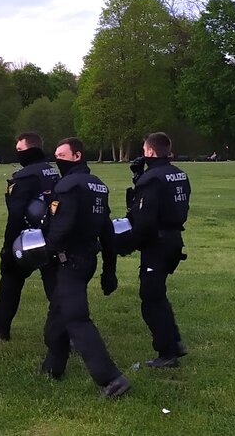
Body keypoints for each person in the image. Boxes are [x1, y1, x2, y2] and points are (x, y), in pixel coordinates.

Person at [40, 137, 129, 398]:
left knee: (76, 318)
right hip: (88, 258)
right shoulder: (98, 186)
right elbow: (107, 231)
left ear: (77, 156)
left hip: (71, 260)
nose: (57, 160)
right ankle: (53, 367)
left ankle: (111, 379)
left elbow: (61, 227)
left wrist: (44, 252)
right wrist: (108, 270)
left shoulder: (67, 186)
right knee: (58, 312)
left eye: (62, 155)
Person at [118, 132, 191, 368]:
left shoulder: (151, 179)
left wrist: (127, 244)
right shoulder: (179, 174)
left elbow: (145, 220)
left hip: (157, 243)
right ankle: (175, 342)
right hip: (174, 238)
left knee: (150, 298)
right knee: (158, 294)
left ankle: (167, 351)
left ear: (149, 151)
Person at [0, 132, 60, 341]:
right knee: (55, 289)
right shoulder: (52, 171)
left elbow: (16, 215)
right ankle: (68, 333)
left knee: (11, 282)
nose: (18, 154)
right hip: (51, 236)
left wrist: (7, 247)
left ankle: (0, 327)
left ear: (31, 150)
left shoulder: (24, 177)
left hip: (28, 238)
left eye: (20, 150)